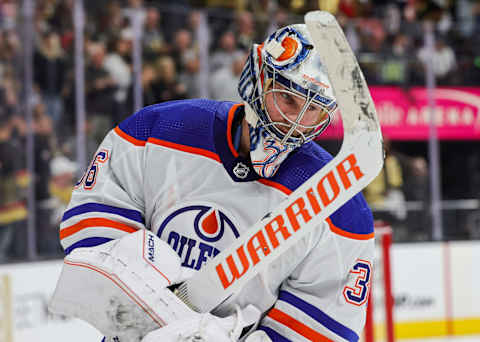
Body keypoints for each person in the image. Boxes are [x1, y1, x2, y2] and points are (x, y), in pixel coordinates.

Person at [50, 23, 374, 342]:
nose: (295, 123)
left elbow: (320, 329)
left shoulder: (342, 209)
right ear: (259, 78)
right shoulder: (157, 130)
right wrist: (148, 304)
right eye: (289, 99)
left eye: (314, 110)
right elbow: (95, 223)